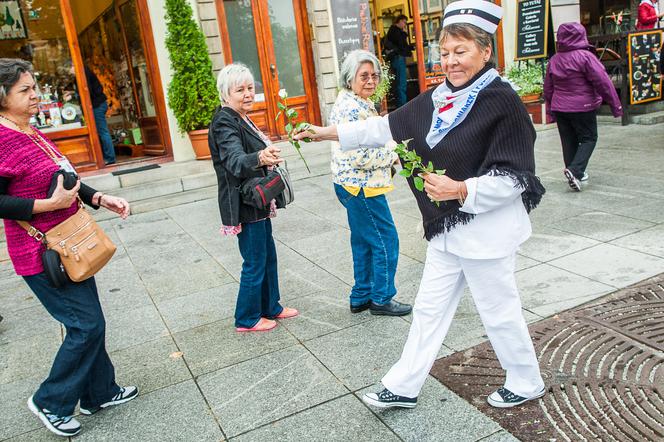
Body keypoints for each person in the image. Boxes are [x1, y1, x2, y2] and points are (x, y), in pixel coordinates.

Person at [296, 0, 547, 409]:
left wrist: (462, 189)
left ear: (485, 51)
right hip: (448, 230)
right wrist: (327, 132)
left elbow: (515, 177)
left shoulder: (503, 101)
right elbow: (383, 126)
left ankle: (526, 380)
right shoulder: (437, 98)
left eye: (460, 52)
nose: (450, 62)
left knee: (498, 311)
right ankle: (404, 385)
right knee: (429, 311)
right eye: (444, 53)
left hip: (486, 232)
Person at [0, 58, 137, 437]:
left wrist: (99, 198)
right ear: (2, 97)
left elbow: (66, 179)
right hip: (39, 251)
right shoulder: (1, 138)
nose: (35, 96)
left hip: (70, 244)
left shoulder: (31, 132)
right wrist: (48, 207)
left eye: (34, 87)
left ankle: (99, 392)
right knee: (84, 325)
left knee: (90, 319)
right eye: (24, 90)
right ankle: (50, 401)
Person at [209, 63, 298, 332]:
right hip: (244, 201)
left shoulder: (239, 116)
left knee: (267, 254)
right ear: (226, 94)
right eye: (240, 90)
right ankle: (246, 318)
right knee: (255, 259)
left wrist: (265, 154)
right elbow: (234, 161)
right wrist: (260, 156)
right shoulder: (225, 120)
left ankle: (271, 306)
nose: (248, 94)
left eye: (250, 88)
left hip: (256, 198)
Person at [330, 50, 411, 316]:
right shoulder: (350, 108)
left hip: (354, 184)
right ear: (349, 78)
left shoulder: (356, 101)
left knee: (363, 241)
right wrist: (395, 153)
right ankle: (382, 298)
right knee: (386, 239)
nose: (371, 81)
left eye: (374, 75)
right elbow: (360, 155)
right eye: (364, 76)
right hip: (360, 186)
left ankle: (361, 295)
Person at [544, 22, 622, 192]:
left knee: (568, 140)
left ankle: (575, 173)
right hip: (583, 105)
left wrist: (551, 109)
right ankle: (575, 170)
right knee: (589, 138)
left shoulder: (554, 60)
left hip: (560, 106)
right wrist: (616, 106)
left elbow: (548, 88)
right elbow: (603, 82)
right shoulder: (586, 57)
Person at [66, 62, 116, 165]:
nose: (68, 70)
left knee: (102, 132)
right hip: (97, 105)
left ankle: (110, 158)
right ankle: (105, 157)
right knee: (100, 132)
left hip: (97, 105)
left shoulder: (83, 75)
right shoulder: (81, 75)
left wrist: (74, 96)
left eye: (70, 67)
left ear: (74, 66)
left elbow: (87, 91)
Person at [385, 14, 414, 108]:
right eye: (404, 22)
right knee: (401, 84)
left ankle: (400, 105)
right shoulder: (396, 31)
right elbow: (402, 46)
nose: (405, 25)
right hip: (398, 58)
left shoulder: (393, 31)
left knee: (399, 84)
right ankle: (403, 106)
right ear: (400, 20)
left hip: (396, 58)